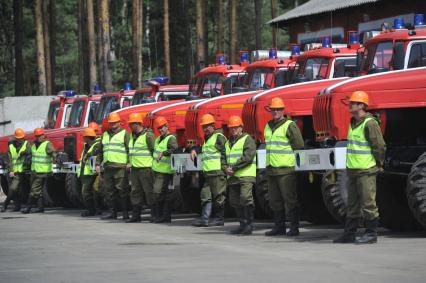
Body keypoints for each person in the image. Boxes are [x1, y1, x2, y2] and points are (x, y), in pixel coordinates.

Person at [334, 91, 386, 244]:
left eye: (354, 103)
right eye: (350, 103)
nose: (350, 105)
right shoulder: (353, 123)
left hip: (365, 170)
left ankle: (371, 234)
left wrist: (379, 163)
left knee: (368, 202)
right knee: (352, 203)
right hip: (353, 170)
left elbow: (379, 145)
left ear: (362, 105)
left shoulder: (369, 123)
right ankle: (349, 233)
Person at [263, 97, 304, 236]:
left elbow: (299, 145)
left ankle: (294, 227)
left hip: (286, 169)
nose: (276, 111)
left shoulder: (289, 125)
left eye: (278, 109)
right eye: (273, 109)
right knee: (275, 200)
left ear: (283, 110)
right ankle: (279, 227)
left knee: (290, 200)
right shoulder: (268, 126)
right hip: (271, 170)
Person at [191, 114, 227, 227]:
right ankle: (205, 219)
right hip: (208, 173)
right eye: (204, 127)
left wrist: (225, 168)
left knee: (218, 196)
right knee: (205, 195)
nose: (205, 129)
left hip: (217, 172)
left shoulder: (218, 137)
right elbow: (203, 149)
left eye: (208, 126)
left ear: (213, 126)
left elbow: (226, 152)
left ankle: (219, 219)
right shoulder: (208, 139)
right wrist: (194, 150)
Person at [224, 116, 257, 235]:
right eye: (231, 128)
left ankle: (249, 225)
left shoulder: (247, 139)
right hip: (232, 177)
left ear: (241, 127)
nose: (233, 130)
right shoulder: (228, 142)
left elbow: (248, 157)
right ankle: (242, 225)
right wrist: (225, 168)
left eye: (235, 127)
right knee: (234, 201)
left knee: (245, 198)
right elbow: (223, 158)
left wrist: (233, 168)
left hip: (245, 175)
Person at [95, 112, 130, 220]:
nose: (113, 125)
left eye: (115, 123)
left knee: (122, 190)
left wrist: (129, 162)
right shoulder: (105, 135)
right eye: (111, 123)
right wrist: (97, 164)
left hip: (120, 167)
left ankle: (125, 213)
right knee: (109, 191)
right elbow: (100, 152)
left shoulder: (125, 134)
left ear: (119, 123)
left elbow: (130, 150)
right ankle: (112, 213)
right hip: (108, 168)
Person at [126, 113, 155, 223]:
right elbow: (132, 152)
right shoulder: (132, 136)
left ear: (138, 123)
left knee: (149, 192)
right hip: (135, 169)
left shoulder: (148, 135)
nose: (130, 126)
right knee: (135, 192)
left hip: (146, 169)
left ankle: (154, 214)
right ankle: (136, 216)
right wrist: (129, 162)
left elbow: (154, 152)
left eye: (131, 124)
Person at [22, 128, 55, 214]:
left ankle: (28, 207)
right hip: (34, 172)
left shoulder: (47, 144)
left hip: (43, 172)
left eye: (39, 136)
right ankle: (40, 208)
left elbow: (53, 153)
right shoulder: (33, 146)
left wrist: (56, 158)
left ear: (43, 136)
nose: (38, 138)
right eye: (36, 136)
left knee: (34, 190)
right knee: (38, 190)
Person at [151, 116, 178, 223]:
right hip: (157, 171)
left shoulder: (170, 138)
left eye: (162, 127)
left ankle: (163, 216)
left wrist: (164, 153)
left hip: (165, 172)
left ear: (167, 126)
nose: (160, 129)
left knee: (159, 193)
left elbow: (175, 150)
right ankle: (162, 216)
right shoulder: (158, 139)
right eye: (159, 128)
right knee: (162, 194)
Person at [1, 128, 31, 212]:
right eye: (20, 138)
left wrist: (23, 153)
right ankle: (11, 205)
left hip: (22, 171)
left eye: (22, 137)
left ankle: (8, 205)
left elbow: (29, 152)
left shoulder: (26, 143)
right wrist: (11, 170)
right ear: (16, 138)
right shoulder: (11, 147)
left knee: (16, 189)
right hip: (14, 172)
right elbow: (8, 160)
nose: (22, 139)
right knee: (13, 189)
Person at [78, 127, 101, 217]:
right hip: (86, 172)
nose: (83, 138)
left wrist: (87, 155)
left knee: (86, 192)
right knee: (92, 192)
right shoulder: (87, 146)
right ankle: (95, 209)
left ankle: (91, 210)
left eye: (84, 136)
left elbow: (94, 154)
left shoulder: (95, 145)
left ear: (87, 137)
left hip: (91, 173)